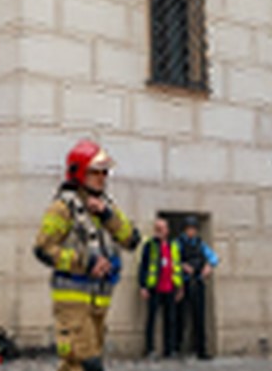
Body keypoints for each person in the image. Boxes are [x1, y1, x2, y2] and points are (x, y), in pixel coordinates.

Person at [34, 140, 141, 371]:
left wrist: (107, 216)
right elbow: (43, 249)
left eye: (104, 172)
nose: (102, 178)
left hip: (99, 302)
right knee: (86, 363)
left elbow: (131, 239)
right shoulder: (62, 208)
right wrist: (85, 262)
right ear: (79, 172)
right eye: (95, 172)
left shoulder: (106, 206)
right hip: (72, 300)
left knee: (77, 366)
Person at [138, 217, 182, 359]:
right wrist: (143, 286)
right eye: (157, 228)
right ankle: (150, 349)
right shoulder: (150, 245)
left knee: (171, 320)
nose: (159, 230)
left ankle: (170, 349)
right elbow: (143, 266)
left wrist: (180, 287)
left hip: (170, 287)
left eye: (162, 228)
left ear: (167, 230)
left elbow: (177, 266)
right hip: (155, 288)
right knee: (151, 320)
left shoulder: (173, 245)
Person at [175, 216, 218, 360]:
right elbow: (172, 259)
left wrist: (209, 266)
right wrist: (182, 266)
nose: (191, 232)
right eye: (189, 229)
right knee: (181, 318)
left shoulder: (200, 244)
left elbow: (213, 257)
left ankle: (201, 350)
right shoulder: (178, 243)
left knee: (199, 317)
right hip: (183, 284)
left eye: (193, 229)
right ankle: (177, 348)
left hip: (198, 282)